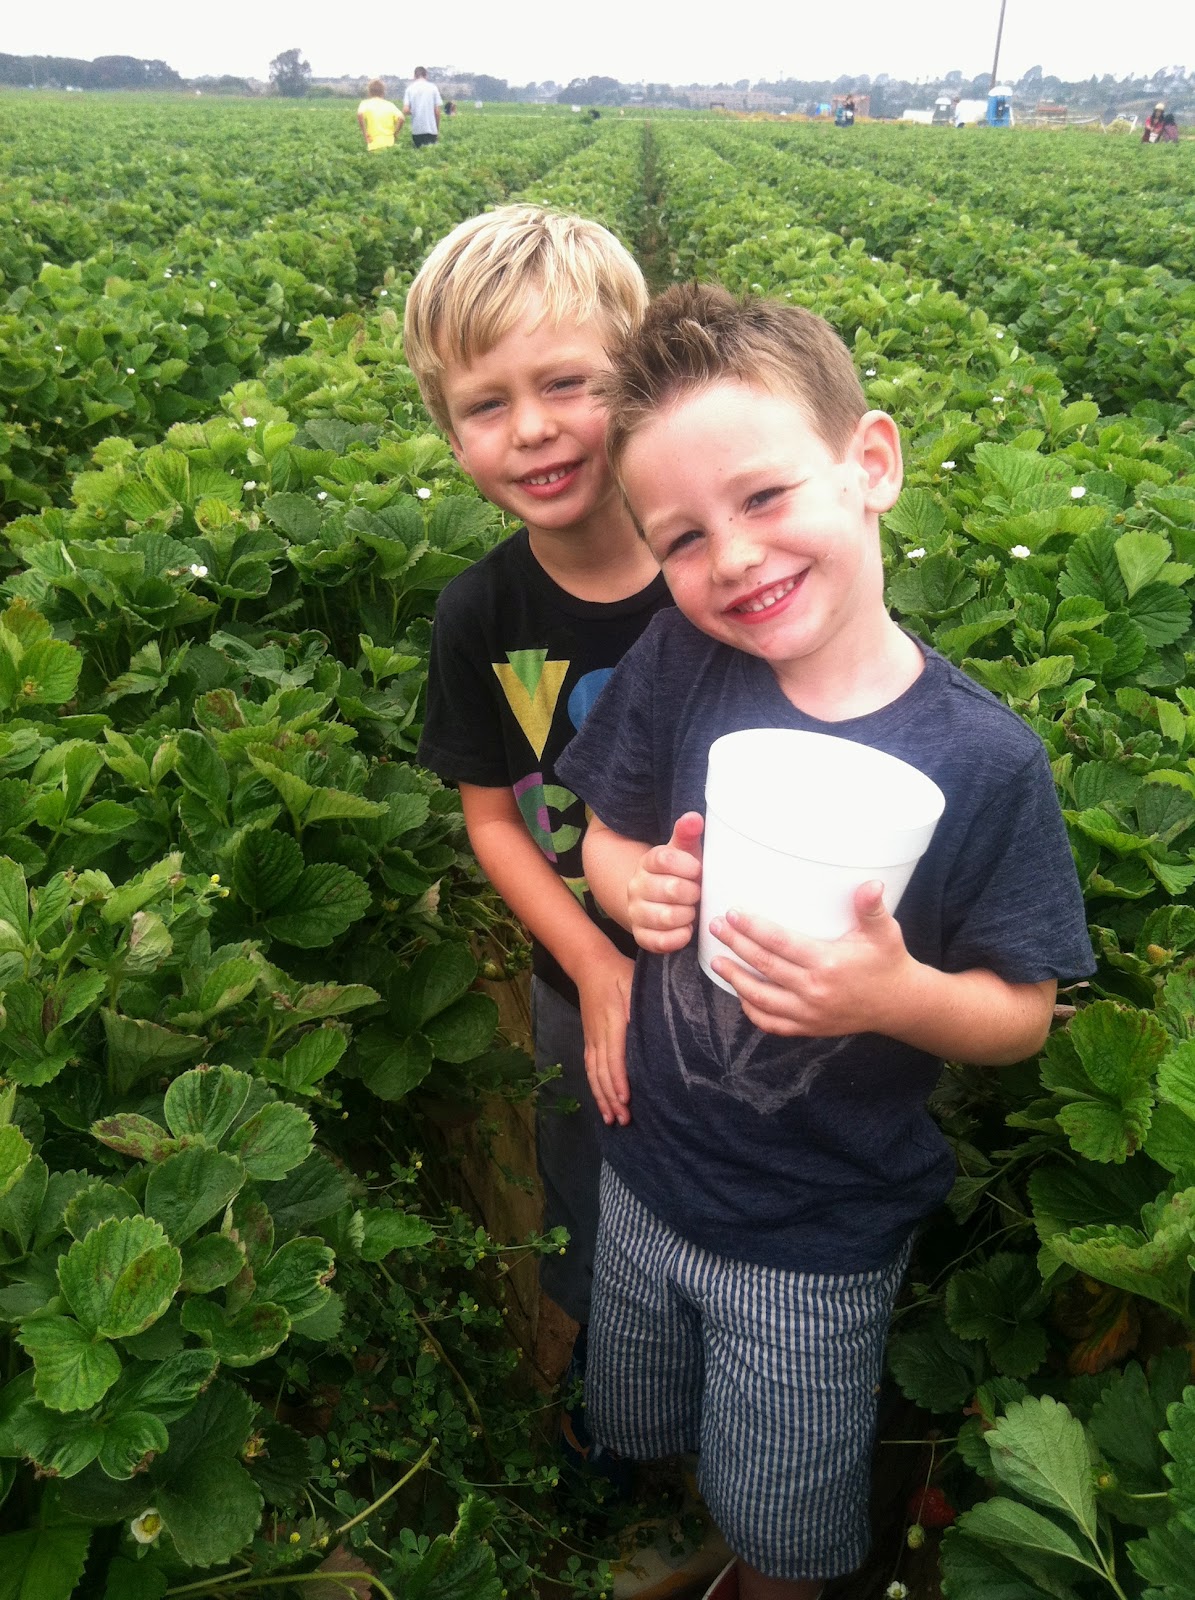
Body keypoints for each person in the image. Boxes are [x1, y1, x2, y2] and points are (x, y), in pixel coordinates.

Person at [556, 283, 1094, 1600]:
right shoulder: (680, 663)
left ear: (871, 464)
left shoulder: (985, 761)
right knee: (640, 1394)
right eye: (683, 538)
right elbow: (605, 836)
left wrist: (894, 993)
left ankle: (757, 1568)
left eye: (762, 496)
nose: (733, 559)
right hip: (649, 1166)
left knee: (782, 1506)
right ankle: (657, 1498)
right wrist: (632, 892)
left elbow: (1023, 1011)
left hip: (817, 1234)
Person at [406, 207, 669, 1410]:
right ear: (449, 429)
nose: (532, 429)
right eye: (485, 404)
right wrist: (591, 960)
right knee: (588, 1187)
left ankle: (725, 1390)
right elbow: (494, 820)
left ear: (640, 380)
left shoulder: (717, 572)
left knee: (731, 1207)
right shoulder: (480, 614)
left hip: (743, 987)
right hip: (577, 979)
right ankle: (611, 1397)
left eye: (567, 383)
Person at [356, 78, 404, 152]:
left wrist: (365, 134)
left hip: (373, 143)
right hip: (389, 143)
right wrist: (395, 134)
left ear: (369, 92)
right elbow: (401, 118)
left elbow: (359, 115)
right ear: (383, 92)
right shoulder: (390, 105)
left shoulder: (365, 103)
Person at [404, 67, 443, 147]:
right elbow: (437, 112)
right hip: (431, 129)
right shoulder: (433, 88)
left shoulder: (410, 89)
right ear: (426, 75)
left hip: (417, 130)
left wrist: (415, 111)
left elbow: (405, 110)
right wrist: (437, 129)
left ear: (414, 76)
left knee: (418, 153)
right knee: (431, 153)